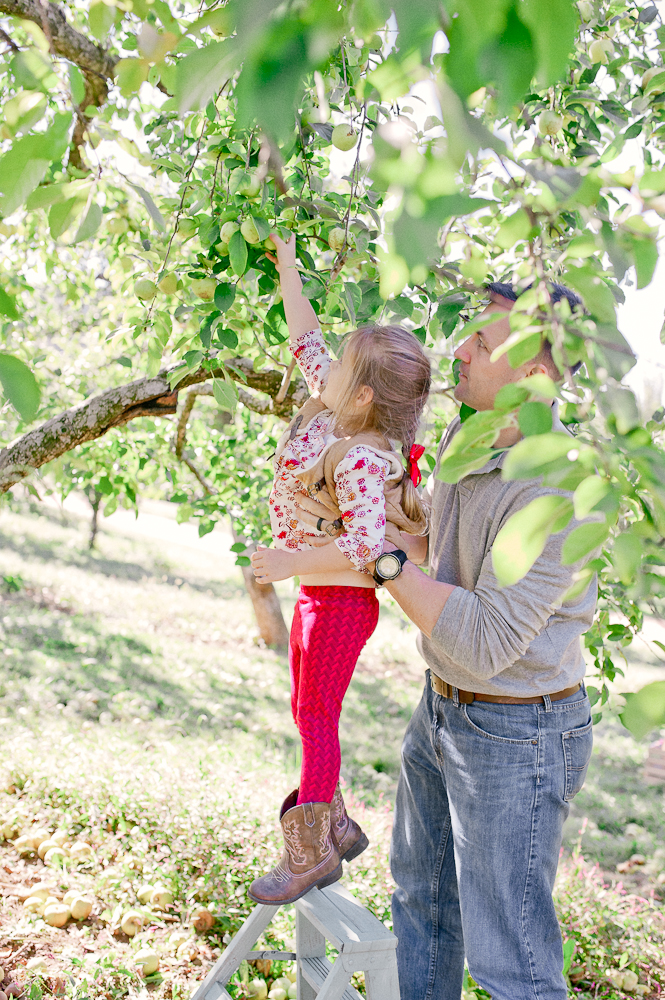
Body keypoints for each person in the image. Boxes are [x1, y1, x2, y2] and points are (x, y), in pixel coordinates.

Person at [374, 281, 597, 1000]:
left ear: (533, 376)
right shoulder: (468, 435)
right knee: (421, 903)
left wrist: (380, 560)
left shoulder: (557, 491)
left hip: (516, 732)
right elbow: (443, 546)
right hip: (441, 706)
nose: (458, 350)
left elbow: (484, 640)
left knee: (511, 966)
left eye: (481, 341)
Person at [248, 233, 431, 906]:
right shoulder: (336, 408)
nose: (321, 367)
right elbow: (306, 338)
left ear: (359, 397)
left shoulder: (360, 455)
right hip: (314, 597)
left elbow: (365, 544)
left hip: (340, 601)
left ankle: (311, 852)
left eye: (339, 365)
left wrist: (292, 559)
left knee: (318, 718)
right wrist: (288, 266)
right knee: (305, 710)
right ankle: (339, 824)